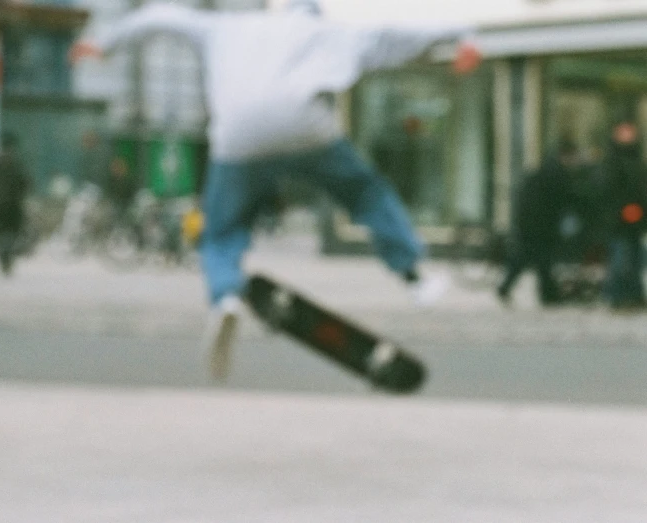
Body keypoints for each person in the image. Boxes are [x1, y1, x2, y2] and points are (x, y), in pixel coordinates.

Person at [70, 0, 480, 376]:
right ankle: (414, 278)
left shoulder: (222, 27)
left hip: (239, 131)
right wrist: (462, 36)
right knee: (365, 192)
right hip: (304, 124)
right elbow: (394, 35)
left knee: (221, 229)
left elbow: (159, 16)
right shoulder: (321, 31)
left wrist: (102, 43)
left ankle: (225, 296)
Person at [497, 141, 580, 306]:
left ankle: (539, 292)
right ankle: (546, 294)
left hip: (533, 224)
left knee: (529, 258)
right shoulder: (556, 174)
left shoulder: (544, 171)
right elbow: (561, 199)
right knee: (539, 259)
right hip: (540, 225)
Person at [596, 118, 647, 310]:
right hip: (618, 219)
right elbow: (609, 190)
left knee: (634, 259)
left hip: (636, 219)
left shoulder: (636, 160)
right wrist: (623, 209)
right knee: (620, 259)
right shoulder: (612, 160)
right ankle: (617, 295)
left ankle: (634, 294)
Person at [0, 132, 32, 276]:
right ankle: (7, 259)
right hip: (14, 204)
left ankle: (3, 259)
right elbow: (26, 182)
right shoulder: (17, 162)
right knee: (13, 232)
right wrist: (21, 196)